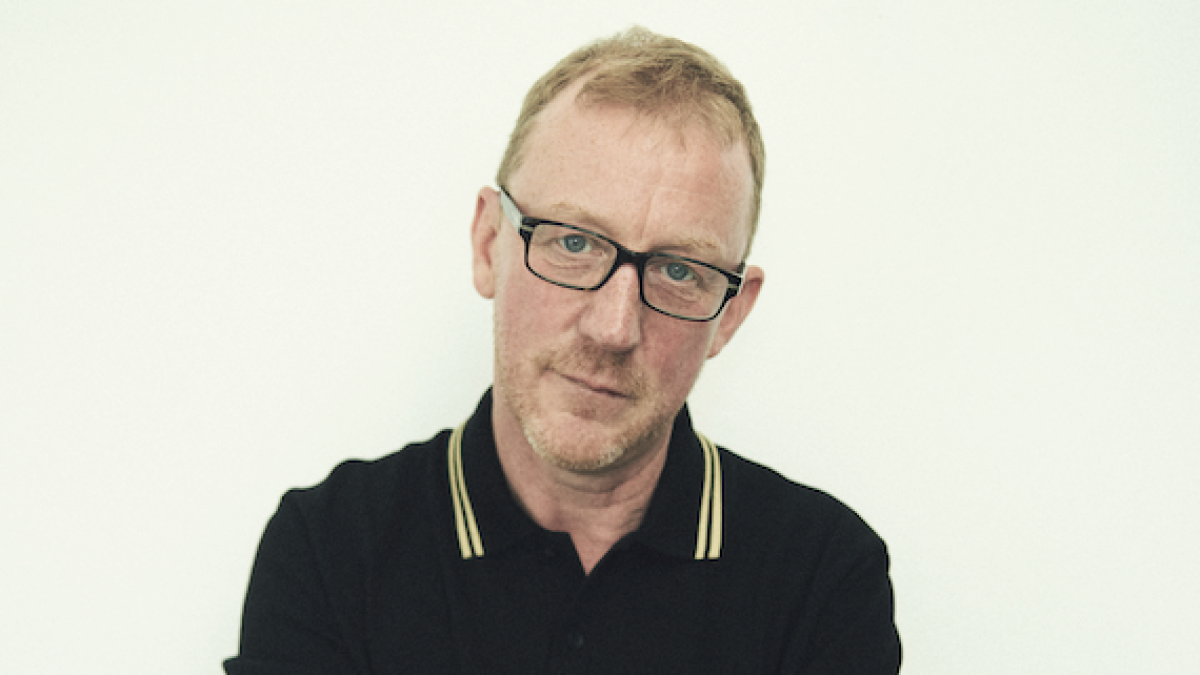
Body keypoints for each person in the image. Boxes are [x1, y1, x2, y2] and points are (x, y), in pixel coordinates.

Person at [225, 27, 900, 675]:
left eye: (678, 270)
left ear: (730, 314)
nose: (613, 328)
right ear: (489, 244)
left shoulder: (823, 579)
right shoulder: (331, 550)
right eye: (574, 243)